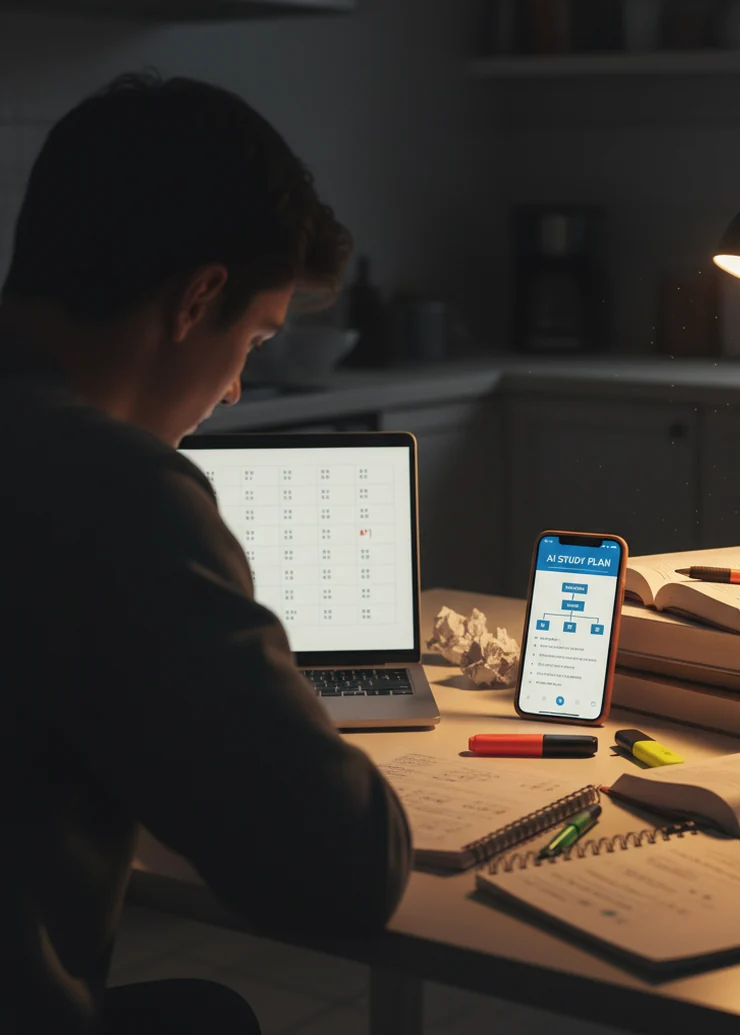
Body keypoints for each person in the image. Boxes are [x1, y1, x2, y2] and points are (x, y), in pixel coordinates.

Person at [0, 72, 412, 1034]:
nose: (232, 391)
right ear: (196, 301)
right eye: (256, 341)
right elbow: (342, 871)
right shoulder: (109, 488)